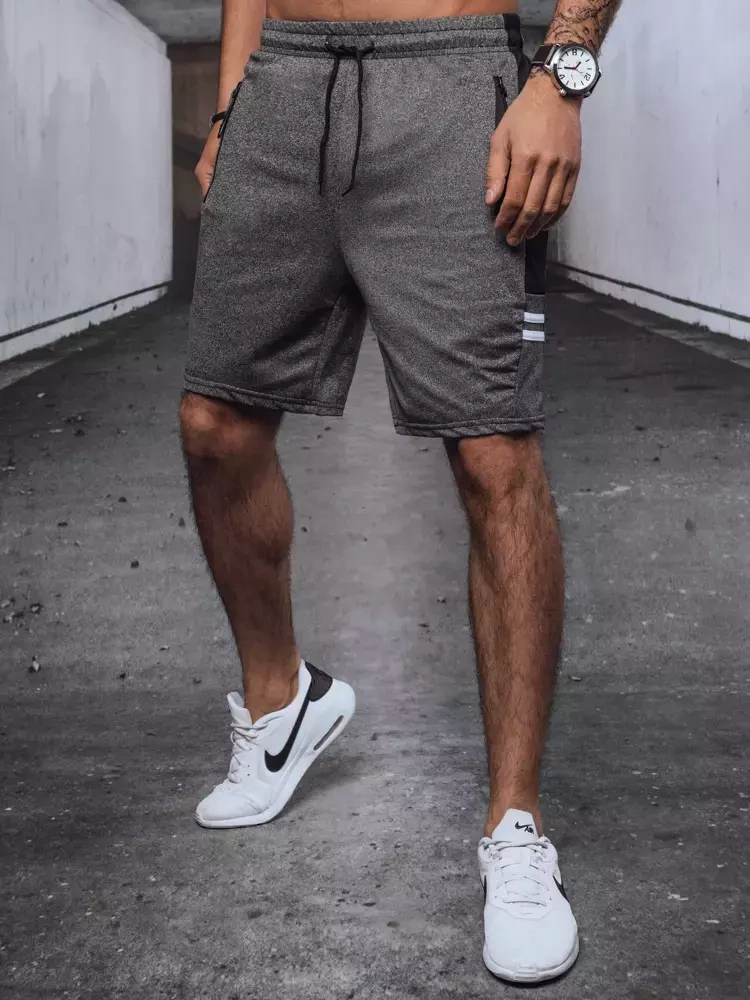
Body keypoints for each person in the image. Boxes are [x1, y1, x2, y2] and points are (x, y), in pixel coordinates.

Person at [181, 0, 622, 984]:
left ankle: (516, 828)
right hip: (284, 88)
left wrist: (561, 82)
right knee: (215, 425)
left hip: (450, 79)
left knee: (494, 454)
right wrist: (230, 108)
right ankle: (282, 703)